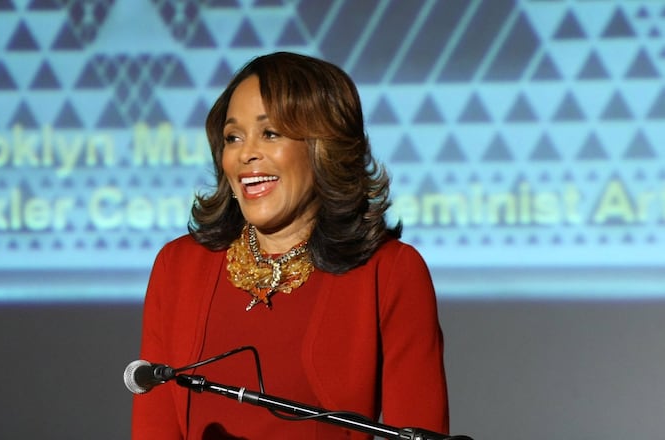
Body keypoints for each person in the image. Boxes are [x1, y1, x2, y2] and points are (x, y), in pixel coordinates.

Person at [131, 51, 449, 439]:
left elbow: (418, 428)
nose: (245, 154)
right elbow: (154, 426)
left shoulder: (389, 271)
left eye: (270, 133)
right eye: (233, 137)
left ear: (323, 146)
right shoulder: (178, 267)